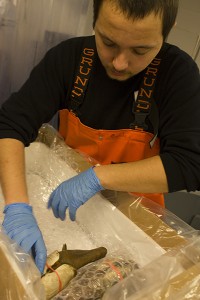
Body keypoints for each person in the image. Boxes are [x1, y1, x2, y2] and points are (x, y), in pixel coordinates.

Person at [0, 0, 200, 274]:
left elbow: (189, 164)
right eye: (107, 42)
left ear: (168, 30)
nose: (119, 63)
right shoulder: (68, 59)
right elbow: (10, 124)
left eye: (141, 50)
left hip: (137, 220)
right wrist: (18, 208)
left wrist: (98, 177)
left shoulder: (178, 74)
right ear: (94, 18)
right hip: (69, 206)